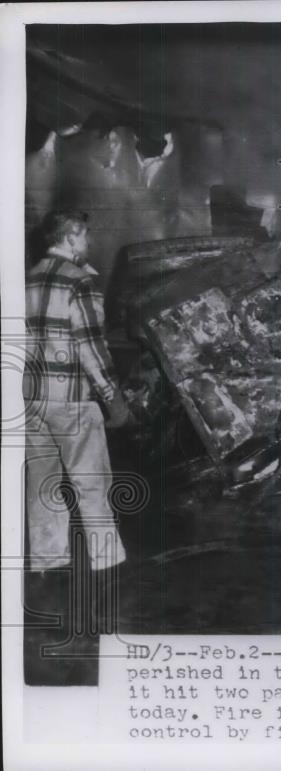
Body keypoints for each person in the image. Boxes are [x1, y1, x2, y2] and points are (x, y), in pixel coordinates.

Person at [23, 210, 131, 577]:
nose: (90, 243)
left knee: (42, 484)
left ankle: (48, 561)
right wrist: (113, 398)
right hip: (73, 400)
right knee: (91, 482)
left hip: (31, 399)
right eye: (85, 236)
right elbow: (90, 347)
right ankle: (107, 564)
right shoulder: (79, 282)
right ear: (71, 236)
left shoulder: (28, 280)